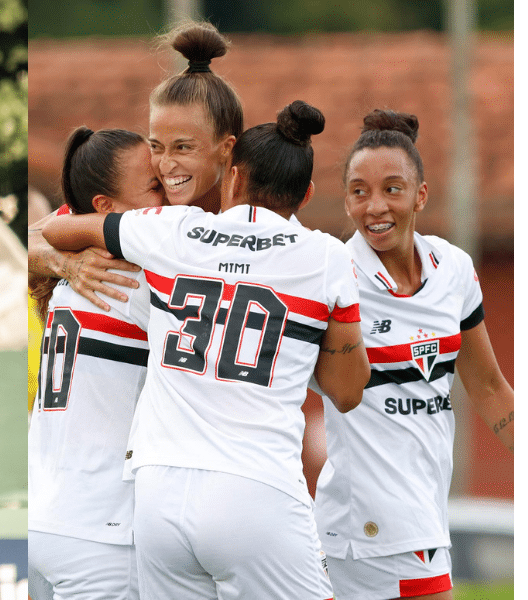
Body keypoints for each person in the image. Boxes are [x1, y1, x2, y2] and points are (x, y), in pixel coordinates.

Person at [42, 100, 370, 599]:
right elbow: (347, 393)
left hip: (150, 495)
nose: (165, 180)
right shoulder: (325, 255)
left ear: (232, 176)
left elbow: (55, 228)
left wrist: (64, 260)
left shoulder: (169, 234)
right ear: (305, 193)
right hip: (250, 488)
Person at [312, 110, 515, 600]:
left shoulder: (455, 270)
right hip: (375, 525)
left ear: (421, 194)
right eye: (359, 191)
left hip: (423, 513)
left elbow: (488, 387)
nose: (375, 206)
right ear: (346, 201)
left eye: (392, 188)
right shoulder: (334, 275)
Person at [28, 127, 164, 600]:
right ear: (105, 207)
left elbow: (36, 233)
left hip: (49, 515)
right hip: (102, 530)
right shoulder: (132, 276)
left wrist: (57, 259)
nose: (168, 192)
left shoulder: (83, 258)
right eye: (155, 186)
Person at [28, 20, 243, 312]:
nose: (165, 165)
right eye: (156, 146)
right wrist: (66, 263)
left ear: (226, 148)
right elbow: (34, 237)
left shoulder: (252, 215)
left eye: (183, 146)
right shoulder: (143, 199)